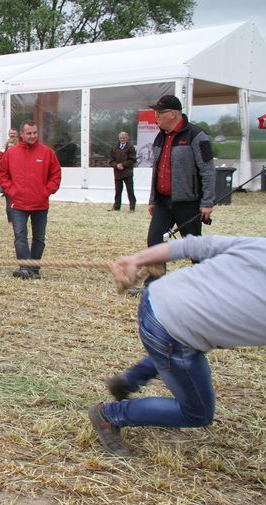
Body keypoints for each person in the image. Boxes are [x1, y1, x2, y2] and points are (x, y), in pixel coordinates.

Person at [89, 235, 266, 457]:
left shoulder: (260, 245)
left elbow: (190, 245)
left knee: (185, 347)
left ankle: (128, 381)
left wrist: (137, 259)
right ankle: (111, 415)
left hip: (156, 297)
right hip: (169, 330)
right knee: (197, 412)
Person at [139, 94, 216, 288]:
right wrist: (152, 198)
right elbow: (157, 170)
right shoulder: (160, 137)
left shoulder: (197, 136)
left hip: (187, 202)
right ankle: (155, 284)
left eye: (159, 112)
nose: (156, 116)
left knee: (193, 246)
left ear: (173, 114)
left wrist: (207, 202)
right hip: (162, 202)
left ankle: (206, 284)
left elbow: (208, 171)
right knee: (155, 241)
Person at [0, 120, 62, 280]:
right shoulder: (11, 153)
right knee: (20, 236)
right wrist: (12, 191)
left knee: (39, 238)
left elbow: (56, 174)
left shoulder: (47, 153)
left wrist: (46, 191)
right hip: (18, 203)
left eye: (35, 132)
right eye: (29, 133)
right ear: (21, 134)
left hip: (40, 203)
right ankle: (25, 267)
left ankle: (34, 268)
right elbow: (2, 174)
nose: (32, 136)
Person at [108, 131, 137, 211]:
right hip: (117, 173)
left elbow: (132, 159)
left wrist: (123, 165)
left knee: (130, 190)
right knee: (118, 191)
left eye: (124, 138)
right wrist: (116, 165)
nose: (122, 139)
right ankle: (116, 207)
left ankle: (132, 207)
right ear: (119, 138)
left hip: (127, 172)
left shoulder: (131, 147)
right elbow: (111, 160)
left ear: (127, 138)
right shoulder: (114, 148)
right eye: (121, 138)